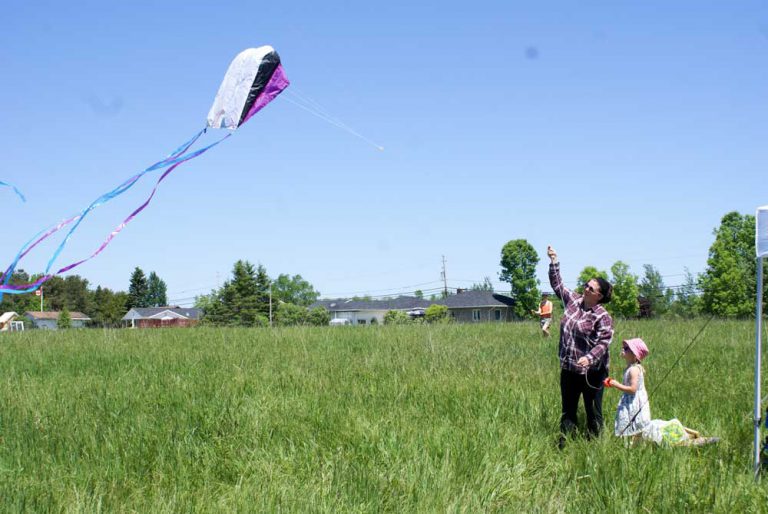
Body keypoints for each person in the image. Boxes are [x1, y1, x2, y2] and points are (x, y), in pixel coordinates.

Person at [547, 245, 614, 446]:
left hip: (592, 373)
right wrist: (553, 261)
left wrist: (589, 358)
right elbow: (558, 285)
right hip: (569, 368)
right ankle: (563, 447)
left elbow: (604, 342)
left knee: (593, 413)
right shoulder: (573, 301)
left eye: (591, 288)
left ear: (599, 296)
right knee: (568, 411)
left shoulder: (603, 316)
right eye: (586, 285)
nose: (586, 288)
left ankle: (595, 448)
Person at [605, 338, 651, 439]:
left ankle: (633, 443)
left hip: (634, 402)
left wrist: (616, 384)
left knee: (633, 424)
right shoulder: (631, 367)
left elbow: (633, 389)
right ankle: (633, 442)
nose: (623, 349)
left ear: (634, 355)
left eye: (626, 348)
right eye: (623, 347)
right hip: (632, 401)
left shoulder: (634, 370)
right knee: (631, 426)